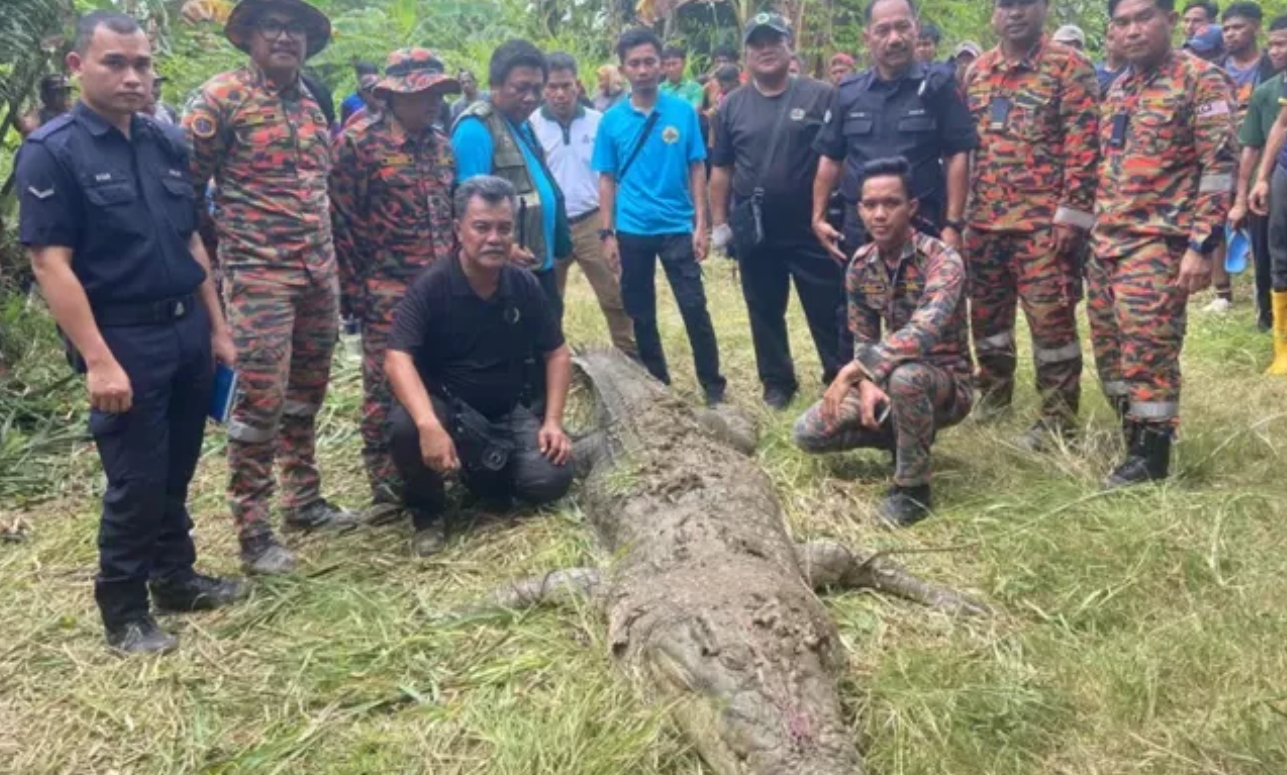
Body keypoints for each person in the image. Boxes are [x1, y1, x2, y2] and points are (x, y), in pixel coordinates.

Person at [16, 11, 245, 654]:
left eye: (141, 64)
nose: (131, 76)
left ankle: (175, 576)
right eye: (114, 62)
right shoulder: (54, 151)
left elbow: (192, 240)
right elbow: (49, 263)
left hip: (186, 329)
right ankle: (123, 609)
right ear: (77, 67)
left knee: (177, 465)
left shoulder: (164, 140)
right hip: (121, 338)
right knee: (136, 479)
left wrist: (219, 329)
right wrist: (98, 359)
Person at [184, 0, 356, 576]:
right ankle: (253, 533)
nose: (287, 37)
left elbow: (321, 186)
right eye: (274, 27)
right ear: (249, 36)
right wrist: (214, 266)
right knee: (257, 402)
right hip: (258, 276)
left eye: (297, 29)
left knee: (307, 392)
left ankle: (302, 500)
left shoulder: (312, 100)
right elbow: (186, 192)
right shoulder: (220, 99)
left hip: (316, 271)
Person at [385, 176, 574, 555]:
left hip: (508, 411)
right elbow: (396, 358)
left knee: (550, 481)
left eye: (504, 228)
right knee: (405, 426)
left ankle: (486, 474)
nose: (494, 238)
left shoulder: (522, 284)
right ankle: (428, 512)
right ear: (458, 230)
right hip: (450, 411)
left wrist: (553, 420)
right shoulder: (432, 285)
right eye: (481, 227)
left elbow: (558, 353)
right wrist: (427, 425)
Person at [1092, 0, 1237, 486]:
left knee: (1148, 350)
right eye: (1122, 22)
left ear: (1170, 21)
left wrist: (1200, 245)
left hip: (1158, 243)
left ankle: (1152, 459)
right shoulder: (1118, 88)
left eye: (1144, 18)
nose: (1132, 31)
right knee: (1111, 354)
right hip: (1107, 243)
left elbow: (1217, 168)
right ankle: (1131, 436)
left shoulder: (1201, 80)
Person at [793, 158, 972, 527]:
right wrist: (866, 383)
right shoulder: (861, 265)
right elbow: (864, 338)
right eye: (870, 205)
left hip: (945, 382)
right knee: (809, 432)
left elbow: (925, 330)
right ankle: (904, 437)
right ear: (859, 209)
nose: (879, 214)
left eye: (891, 203)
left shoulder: (942, 259)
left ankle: (913, 489)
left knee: (907, 379)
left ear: (912, 207)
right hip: (887, 375)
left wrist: (853, 373)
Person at [962, 0, 1100, 448]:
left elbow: (1084, 146)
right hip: (984, 222)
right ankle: (994, 395)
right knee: (987, 320)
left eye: (1024, 4)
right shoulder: (979, 71)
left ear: (1043, 9)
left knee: (1051, 324)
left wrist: (1072, 217)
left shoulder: (1069, 67)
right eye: (1005, 5)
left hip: (1044, 227)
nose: (1014, 13)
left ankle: (1058, 419)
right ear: (993, 14)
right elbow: (969, 149)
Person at [330, 48, 460, 522]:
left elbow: (449, 213)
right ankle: (387, 485)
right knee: (384, 388)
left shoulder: (442, 145)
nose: (432, 103)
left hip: (439, 285)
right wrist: (355, 290)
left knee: (437, 374)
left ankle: (438, 467)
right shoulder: (358, 143)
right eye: (423, 94)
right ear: (393, 97)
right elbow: (341, 220)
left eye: (437, 94)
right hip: (384, 287)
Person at [710, 13, 844, 409]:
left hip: (813, 228)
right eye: (756, 43)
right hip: (756, 231)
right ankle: (777, 383)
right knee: (764, 309)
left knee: (828, 307)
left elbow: (839, 158)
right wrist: (719, 224)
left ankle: (839, 376)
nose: (766, 49)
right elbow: (721, 169)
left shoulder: (821, 95)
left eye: (774, 41)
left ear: (790, 47)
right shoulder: (730, 106)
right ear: (745, 54)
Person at [593, 27, 727, 405]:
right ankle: (658, 383)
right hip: (633, 229)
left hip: (676, 228)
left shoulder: (682, 112)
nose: (643, 69)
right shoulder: (611, 120)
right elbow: (606, 179)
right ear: (623, 69)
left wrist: (701, 224)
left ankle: (713, 387)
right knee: (641, 312)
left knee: (694, 307)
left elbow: (696, 167)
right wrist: (607, 233)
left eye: (649, 61)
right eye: (634, 63)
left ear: (660, 63)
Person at [813, 0, 978, 262]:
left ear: (916, 28)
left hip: (922, 222)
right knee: (860, 300)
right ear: (867, 37)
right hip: (862, 227)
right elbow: (830, 157)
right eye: (883, 30)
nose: (894, 39)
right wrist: (818, 217)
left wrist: (953, 224)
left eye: (902, 27)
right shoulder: (848, 92)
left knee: (929, 300)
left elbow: (957, 154)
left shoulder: (937, 88)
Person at [452, 39, 570, 320]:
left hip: (537, 263)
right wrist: (507, 248)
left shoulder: (522, 124)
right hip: (505, 270)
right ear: (495, 84)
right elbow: (467, 204)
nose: (530, 97)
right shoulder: (476, 128)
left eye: (536, 89)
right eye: (520, 88)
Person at [530, 52, 637, 355]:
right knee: (547, 300)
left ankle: (631, 358)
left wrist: (611, 227)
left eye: (566, 85)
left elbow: (613, 175)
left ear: (577, 85)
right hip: (550, 225)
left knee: (615, 296)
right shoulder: (531, 126)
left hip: (593, 221)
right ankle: (548, 363)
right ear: (543, 89)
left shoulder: (599, 123)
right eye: (552, 87)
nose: (560, 94)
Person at [1205, 2, 1275, 313]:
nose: (1231, 34)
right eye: (1227, 28)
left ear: (1256, 27)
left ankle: (1269, 289)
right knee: (1216, 217)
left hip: (1262, 156)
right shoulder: (1215, 69)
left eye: (1238, 27)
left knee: (1263, 220)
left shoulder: (1272, 67)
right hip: (1221, 156)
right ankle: (1222, 292)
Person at [1230, 14, 1287, 334]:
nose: (1275, 51)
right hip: (1276, 180)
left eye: (1282, 44)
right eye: (1273, 45)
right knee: (1271, 255)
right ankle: (1273, 324)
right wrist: (1245, 192)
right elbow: (1251, 146)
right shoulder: (1266, 92)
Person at [1248, 23, 1287, 374]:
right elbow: (1281, 125)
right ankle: (1283, 350)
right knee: (1281, 256)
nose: (1276, 51)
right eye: (1272, 44)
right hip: (1285, 173)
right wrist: (1262, 178)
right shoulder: (1277, 88)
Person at [660, 44, 704, 109]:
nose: (671, 69)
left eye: (674, 64)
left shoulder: (695, 88)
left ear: (684, 63)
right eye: (667, 65)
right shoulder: (658, 90)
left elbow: (693, 111)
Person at [340, 61, 378, 125]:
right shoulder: (349, 103)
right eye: (368, 87)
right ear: (358, 78)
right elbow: (345, 128)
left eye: (375, 85)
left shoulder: (385, 95)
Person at [1098, 24, 1128, 95]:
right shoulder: (1094, 73)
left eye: (1119, 38)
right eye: (1111, 38)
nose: (1114, 43)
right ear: (1105, 41)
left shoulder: (1136, 71)